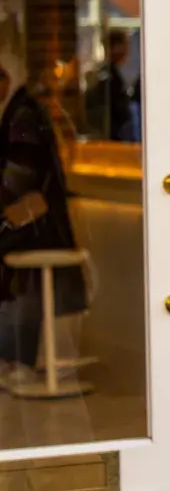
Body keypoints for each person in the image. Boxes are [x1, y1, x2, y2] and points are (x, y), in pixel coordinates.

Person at [0, 56, 87, 384]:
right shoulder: (21, 111)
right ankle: (14, 357)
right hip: (36, 224)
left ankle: (16, 358)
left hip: (37, 228)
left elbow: (18, 180)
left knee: (17, 280)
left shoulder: (21, 115)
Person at [84, 29, 134, 141]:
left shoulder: (109, 74)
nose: (127, 51)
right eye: (125, 45)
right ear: (114, 47)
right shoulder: (108, 78)